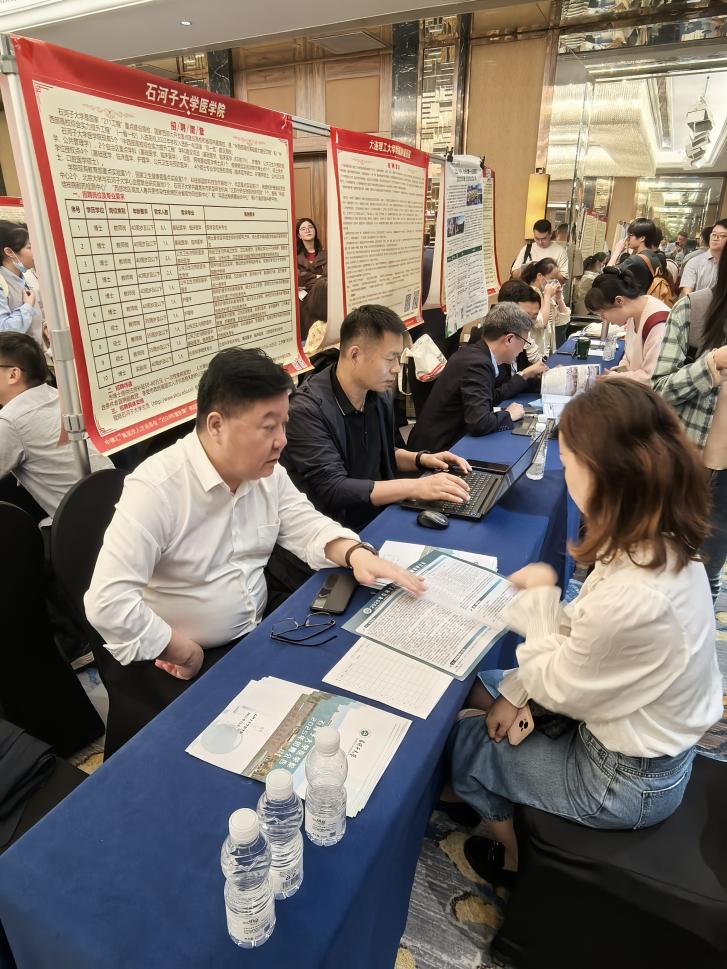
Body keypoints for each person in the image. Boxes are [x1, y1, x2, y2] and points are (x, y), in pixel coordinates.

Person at [446, 379, 722, 886]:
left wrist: (539, 600)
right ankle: (496, 780)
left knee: (469, 738)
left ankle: (513, 857)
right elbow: (580, 638)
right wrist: (515, 694)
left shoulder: (636, 595)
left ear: (600, 476)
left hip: (624, 781)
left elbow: (559, 686)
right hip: (632, 730)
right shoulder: (656, 540)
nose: (563, 470)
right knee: (484, 690)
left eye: (568, 461)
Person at [85, 348, 422, 733]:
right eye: (268, 427)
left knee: (353, 691)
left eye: (284, 424)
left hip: (258, 630)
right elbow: (107, 603)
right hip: (183, 660)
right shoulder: (157, 489)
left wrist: (355, 553)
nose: (282, 441)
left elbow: (304, 523)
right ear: (216, 425)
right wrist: (181, 649)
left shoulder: (265, 473)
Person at [281, 305, 470, 531]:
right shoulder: (306, 410)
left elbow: (380, 451)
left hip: (380, 515)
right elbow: (333, 488)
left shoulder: (377, 394)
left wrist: (421, 459)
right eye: (390, 359)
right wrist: (415, 487)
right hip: (337, 531)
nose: (396, 368)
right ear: (355, 355)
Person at [652, 246, 727, 603]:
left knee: (710, 569)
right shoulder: (695, 310)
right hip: (689, 464)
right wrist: (710, 365)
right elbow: (658, 390)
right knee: (666, 561)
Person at [0, 332, 111, 521]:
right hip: (112, 497)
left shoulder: (12, 420)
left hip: (84, 523)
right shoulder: (56, 395)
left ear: (13, 374)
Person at [407, 302, 529, 454]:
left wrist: (524, 378)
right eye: (524, 342)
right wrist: (509, 415)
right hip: (435, 451)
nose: (523, 349)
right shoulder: (478, 364)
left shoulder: (475, 353)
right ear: (509, 339)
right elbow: (479, 423)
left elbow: (488, 396)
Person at [585, 266, 670, 382]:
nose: (603, 319)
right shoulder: (633, 313)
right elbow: (629, 357)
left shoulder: (658, 325)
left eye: (602, 313)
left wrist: (618, 377)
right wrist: (618, 372)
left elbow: (652, 377)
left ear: (619, 301)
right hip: (634, 386)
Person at [0, 222, 43, 343]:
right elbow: (3, 331)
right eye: (29, 247)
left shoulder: (23, 279)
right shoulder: (2, 283)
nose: (35, 252)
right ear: (9, 252)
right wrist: (27, 307)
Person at [521, 258, 571, 356]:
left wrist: (559, 298)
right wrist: (547, 296)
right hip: (534, 350)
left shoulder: (546, 293)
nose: (556, 282)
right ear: (540, 276)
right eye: (553, 278)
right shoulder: (529, 294)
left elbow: (563, 321)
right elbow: (541, 324)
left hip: (548, 348)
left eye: (557, 279)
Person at [607, 218, 663, 295]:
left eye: (630, 235)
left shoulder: (635, 260)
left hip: (632, 300)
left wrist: (617, 250)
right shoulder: (654, 257)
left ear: (642, 238)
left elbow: (606, 275)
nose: (627, 239)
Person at [679, 219, 727, 295]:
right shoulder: (694, 262)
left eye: (722, 235)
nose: (716, 238)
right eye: (714, 234)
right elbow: (688, 294)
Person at [296, 217, 327, 292]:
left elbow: (329, 279)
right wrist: (316, 276)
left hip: (323, 293)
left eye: (310, 227)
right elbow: (298, 278)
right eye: (303, 229)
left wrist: (306, 283)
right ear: (299, 235)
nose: (307, 230)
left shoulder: (327, 255)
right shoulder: (294, 256)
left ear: (315, 231)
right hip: (303, 296)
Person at [572, 252, 607, 316]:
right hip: (584, 312)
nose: (603, 266)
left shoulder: (586, 275)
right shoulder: (589, 278)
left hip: (582, 309)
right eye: (603, 263)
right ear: (597, 262)